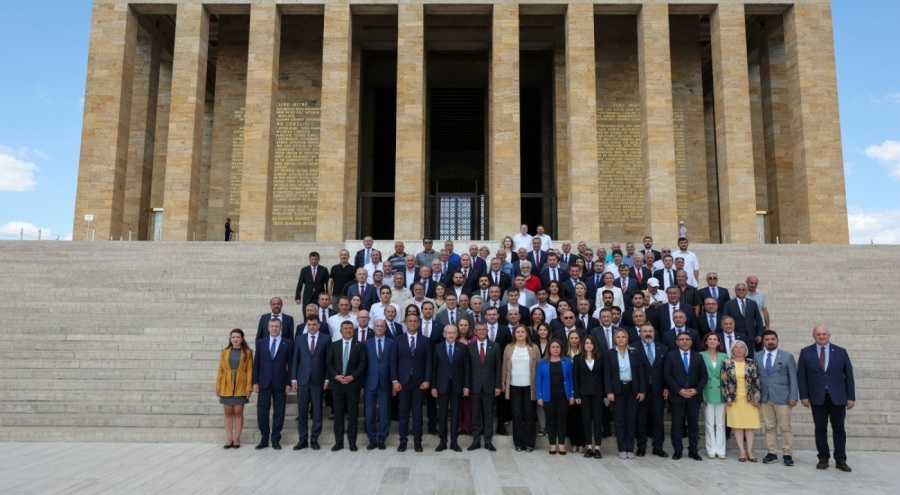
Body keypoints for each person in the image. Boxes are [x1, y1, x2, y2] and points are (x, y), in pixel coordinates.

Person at [798, 325, 856, 472]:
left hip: (838, 397)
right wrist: (804, 396)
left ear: (829, 335)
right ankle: (823, 458)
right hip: (817, 397)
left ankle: (841, 460)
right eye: (818, 334)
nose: (821, 336)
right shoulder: (806, 352)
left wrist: (851, 397)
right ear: (814, 336)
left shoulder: (841, 352)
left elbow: (849, 375)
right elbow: (801, 376)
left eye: (824, 334)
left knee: (839, 429)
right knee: (820, 428)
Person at [391, 313, 432, 452]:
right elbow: (393, 362)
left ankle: (417, 441)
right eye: (410, 321)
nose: (412, 323)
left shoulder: (425, 341)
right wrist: (394, 380)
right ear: (405, 323)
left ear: (419, 324)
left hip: (419, 383)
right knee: (403, 413)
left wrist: (427, 379)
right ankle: (403, 441)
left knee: (417, 414)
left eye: (415, 321)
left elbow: (428, 362)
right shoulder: (398, 340)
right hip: (402, 382)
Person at [664, 332, 708, 461]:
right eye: (681, 339)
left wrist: (696, 390)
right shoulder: (670, 356)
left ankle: (693, 450)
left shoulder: (698, 356)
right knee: (677, 424)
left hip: (694, 397)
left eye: (687, 339)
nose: (684, 341)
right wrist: (678, 390)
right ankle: (678, 450)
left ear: (691, 342)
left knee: (693, 425)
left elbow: (704, 376)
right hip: (677, 396)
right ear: (677, 342)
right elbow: (667, 375)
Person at [758, 330, 799, 466]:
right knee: (769, 427)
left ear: (777, 340)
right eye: (767, 339)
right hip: (765, 397)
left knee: (785, 427)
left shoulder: (787, 357)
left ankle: (787, 453)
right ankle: (772, 452)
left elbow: (793, 378)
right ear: (763, 341)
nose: (770, 342)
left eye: (773, 339)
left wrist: (793, 395)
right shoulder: (757, 356)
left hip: (783, 397)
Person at [605, 328, 646, 459]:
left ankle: (630, 448)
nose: (621, 339)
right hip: (617, 390)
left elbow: (641, 372)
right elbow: (607, 375)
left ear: (627, 339)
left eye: (623, 337)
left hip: (633, 390)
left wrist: (642, 390)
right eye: (618, 337)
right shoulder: (609, 353)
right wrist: (609, 391)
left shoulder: (635, 352)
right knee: (619, 420)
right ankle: (622, 448)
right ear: (615, 339)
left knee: (631, 419)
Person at [326, 321, 366, 451]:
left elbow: (362, 363)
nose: (348, 330)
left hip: (352, 385)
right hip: (337, 385)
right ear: (340, 331)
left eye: (350, 328)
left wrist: (353, 376)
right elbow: (329, 363)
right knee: (338, 415)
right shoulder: (333, 345)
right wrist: (336, 376)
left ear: (353, 331)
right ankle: (339, 443)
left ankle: (352, 443)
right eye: (345, 328)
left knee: (353, 415)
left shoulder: (359, 345)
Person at [253, 319, 293, 450]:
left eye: (277, 326)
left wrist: (289, 383)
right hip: (264, 382)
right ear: (268, 328)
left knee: (279, 412)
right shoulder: (261, 343)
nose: (275, 328)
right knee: (262, 412)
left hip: (280, 383)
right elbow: (256, 364)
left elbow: (290, 365)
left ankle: (275, 439)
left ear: (281, 328)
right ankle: (264, 438)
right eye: (272, 326)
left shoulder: (288, 343)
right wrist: (255, 382)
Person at [290, 315, 328, 451]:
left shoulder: (325, 338)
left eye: (314, 324)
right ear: (306, 325)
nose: (311, 327)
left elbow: (328, 361)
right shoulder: (300, 339)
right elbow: (295, 359)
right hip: (302, 380)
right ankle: (303, 439)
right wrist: (293, 378)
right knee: (302, 411)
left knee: (317, 410)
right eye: (309, 324)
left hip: (318, 380)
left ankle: (314, 438)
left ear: (318, 325)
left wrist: (327, 379)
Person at [501, 324, 540, 452]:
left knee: (529, 415)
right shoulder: (509, 348)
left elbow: (539, 368)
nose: (520, 334)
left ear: (527, 334)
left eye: (523, 331)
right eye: (518, 332)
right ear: (514, 334)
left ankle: (529, 443)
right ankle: (518, 443)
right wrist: (503, 382)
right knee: (517, 415)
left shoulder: (534, 348)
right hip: (514, 386)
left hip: (530, 386)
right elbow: (504, 367)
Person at [721, 339, 761, 462]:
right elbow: (724, 382)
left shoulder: (752, 363)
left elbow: (757, 381)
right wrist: (727, 397)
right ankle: (742, 451)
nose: (739, 349)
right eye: (736, 347)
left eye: (741, 347)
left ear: (745, 350)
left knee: (750, 426)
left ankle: (750, 450)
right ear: (732, 350)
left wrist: (756, 398)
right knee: (738, 426)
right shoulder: (727, 363)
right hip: (734, 400)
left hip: (750, 400)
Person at [465, 321, 502, 451]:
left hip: (489, 386)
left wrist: (498, 386)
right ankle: (475, 441)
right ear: (475, 332)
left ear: (487, 331)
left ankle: (488, 441)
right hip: (474, 386)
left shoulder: (495, 346)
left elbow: (498, 368)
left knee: (488, 414)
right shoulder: (469, 347)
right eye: (479, 330)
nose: (481, 331)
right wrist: (466, 386)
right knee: (475, 414)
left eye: (484, 329)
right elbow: (467, 368)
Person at [432, 324, 468, 452]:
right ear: (444, 334)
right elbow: (434, 369)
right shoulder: (437, 348)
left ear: (457, 334)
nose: (451, 335)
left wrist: (466, 386)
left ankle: (454, 441)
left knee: (455, 414)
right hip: (442, 385)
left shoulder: (463, 348)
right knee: (442, 414)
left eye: (453, 333)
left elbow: (466, 369)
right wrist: (433, 386)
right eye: (449, 333)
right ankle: (442, 441)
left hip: (457, 385)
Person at [535, 339, 575, 454]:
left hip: (564, 395)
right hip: (548, 395)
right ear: (549, 349)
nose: (556, 349)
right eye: (553, 347)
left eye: (558, 347)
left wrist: (572, 395)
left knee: (562, 420)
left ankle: (561, 444)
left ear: (561, 348)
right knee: (550, 420)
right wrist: (539, 396)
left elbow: (571, 379)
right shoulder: (542, 362)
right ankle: (552, 444)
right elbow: (539, 380)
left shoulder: (567, 361)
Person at [635, 323, 669, 458]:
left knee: (658, 420)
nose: (648, 333)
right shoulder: (633, 348)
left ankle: (658, 447)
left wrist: (666, 386)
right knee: (641, 419)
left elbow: (667, 370)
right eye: (645, 331)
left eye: (650, 331)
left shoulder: (663, 348)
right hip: (640, 391)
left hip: (658, 390)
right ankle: (641, 447)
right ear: (640, 334)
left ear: (654, 333)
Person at [216, 329, 253, 449]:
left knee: (238, 412)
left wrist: (249, 387)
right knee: (228, 412)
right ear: (230, 339)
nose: (235, 339)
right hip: (226, 384)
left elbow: (249, 371)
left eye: (238, 337)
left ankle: (237, 438)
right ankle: (229, 439)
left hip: (240, 385)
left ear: (242, 339)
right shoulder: (225, 352)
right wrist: (218, 386)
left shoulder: (247, 352)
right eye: (233, 337)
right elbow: (221, 370)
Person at [573, 335, 605, 459]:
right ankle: (588, 447)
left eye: (591, 343)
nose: (589, 345)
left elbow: (604, 375)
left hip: (598, 392)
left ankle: (597, 447)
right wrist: (576, 394)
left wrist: (606, 394)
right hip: (583, 393)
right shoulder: (577, 358)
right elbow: (575, 377)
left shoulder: (600, 357)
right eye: (586, 343)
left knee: (597, 420)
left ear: (594, 345)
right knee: (586, 420)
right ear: (583, 345)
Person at [364, 319, 394, 450]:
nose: (380, 328)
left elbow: (393, 365)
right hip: (369, 383)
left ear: (385, 328)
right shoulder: (366, 344)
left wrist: (394, 382)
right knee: (369, 412)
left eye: (382, 326)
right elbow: (363, 365)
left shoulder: (392, 343)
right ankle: (371, 439)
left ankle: (382, 438)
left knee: (385, 412)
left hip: (385, 383)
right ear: (373, 328)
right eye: (377, 326)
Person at [700, 332, 726, 459]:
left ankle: (721, 449)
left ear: (719, 342)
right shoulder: (700, 355)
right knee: (709, 423)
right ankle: (711, 448)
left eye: (714, 339)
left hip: (721, 392)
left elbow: (727, 377)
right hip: (707, 391)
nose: (712, 341)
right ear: (705, 342)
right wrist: (701, 395)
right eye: (709, 339)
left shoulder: (724, 356)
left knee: (720, 423)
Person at [565, 331, 585, 453]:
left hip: (582, 389)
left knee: (582, 417)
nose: (574, 340)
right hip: (568, 390)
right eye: (571, 338)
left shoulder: (584, 354)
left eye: (576, 338)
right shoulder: (564, 354)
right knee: (571, 417)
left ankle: (581, 443)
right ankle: (573, 443)